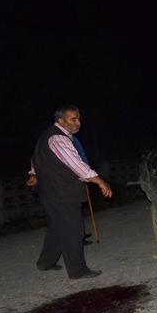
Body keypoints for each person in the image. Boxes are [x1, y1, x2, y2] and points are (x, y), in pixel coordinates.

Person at [26, 104, 112, 279]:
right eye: (73, 119)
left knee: (57, 227)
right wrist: (99, 181)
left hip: (49, 191)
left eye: (79, 118)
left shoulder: (48, 134)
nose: (78, 122)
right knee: (73, 229)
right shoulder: (59, 139)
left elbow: (36, 157)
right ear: (60, 120)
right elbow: (76, 165)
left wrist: (34, 173)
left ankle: (46, 262)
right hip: (62, 192)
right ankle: (77, 270)